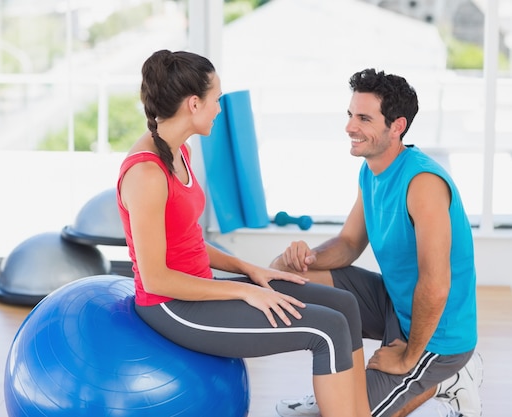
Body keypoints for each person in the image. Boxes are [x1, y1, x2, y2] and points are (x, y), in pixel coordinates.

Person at [116, 49, 372, 417]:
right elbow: (157, 278)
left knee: (344, 305)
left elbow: (185, 241)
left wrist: (251, 270)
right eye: (216, 99)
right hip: (172, 308)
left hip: (202, 288)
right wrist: (242, 290)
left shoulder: (179, 151)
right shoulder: (146, 173)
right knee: (327, 330)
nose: (220, 108)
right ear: (193, 104)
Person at [270, 68, 482, 417]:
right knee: (286, 275)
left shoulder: (423, 183)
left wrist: (408, 356)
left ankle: (449, 378)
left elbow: (436, 283)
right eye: (351, 115)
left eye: (364, 118)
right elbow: (349, 243)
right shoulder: (371, 171)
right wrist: (305, 258)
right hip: (395, 305)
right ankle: (336, 391)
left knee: (350, 414)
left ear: (396, 126)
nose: (350, 127)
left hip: (437, 336)